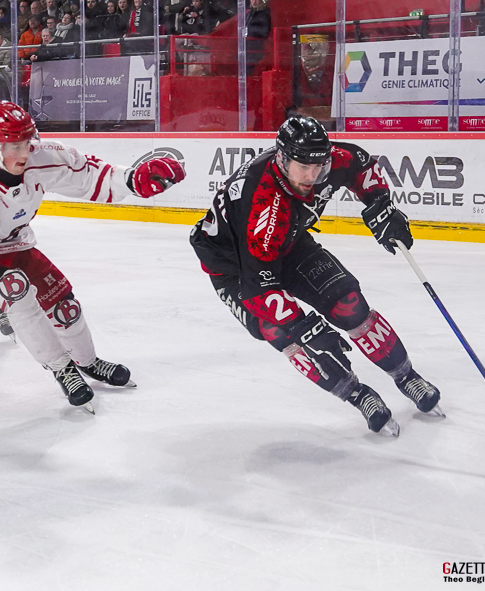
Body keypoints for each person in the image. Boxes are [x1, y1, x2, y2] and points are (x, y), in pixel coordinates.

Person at [0, 101, 186, 412]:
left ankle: (87, 362)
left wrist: (132, 180)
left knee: (65, 305)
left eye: (26, 143)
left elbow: (91, 176)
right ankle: (63, 369)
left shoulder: (42, 155)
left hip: (15, 243)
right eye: (13, 147)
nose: (23, 154)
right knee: (14, 289)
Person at [189, 116, 443, 437]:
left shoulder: (322, 159)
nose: (311, 176)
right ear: (282, 158)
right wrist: (304, 327)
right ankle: (359, 396)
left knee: (348, 305)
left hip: (288, 242)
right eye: (303, 167)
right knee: (281, 331)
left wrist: (380, 204)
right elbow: (258, 287)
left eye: (319, 167)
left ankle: (407, 377)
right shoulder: (263, 204)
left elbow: (361, 165)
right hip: (236, 268)